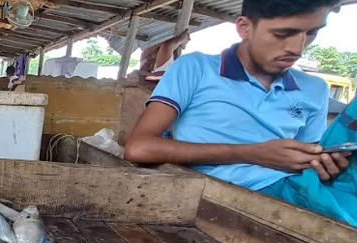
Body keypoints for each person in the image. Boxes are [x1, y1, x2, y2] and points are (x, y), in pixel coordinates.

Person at [125, 0, 357, 226]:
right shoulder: (196, 68)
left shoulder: (315, 89)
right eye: (282, 34)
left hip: (294, 193)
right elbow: (139, 148)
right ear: (244, 27)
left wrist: (323, 163)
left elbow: (306, 160)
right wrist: (252, 153)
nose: (297, 48)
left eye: (311, 33)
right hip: (220, 199)